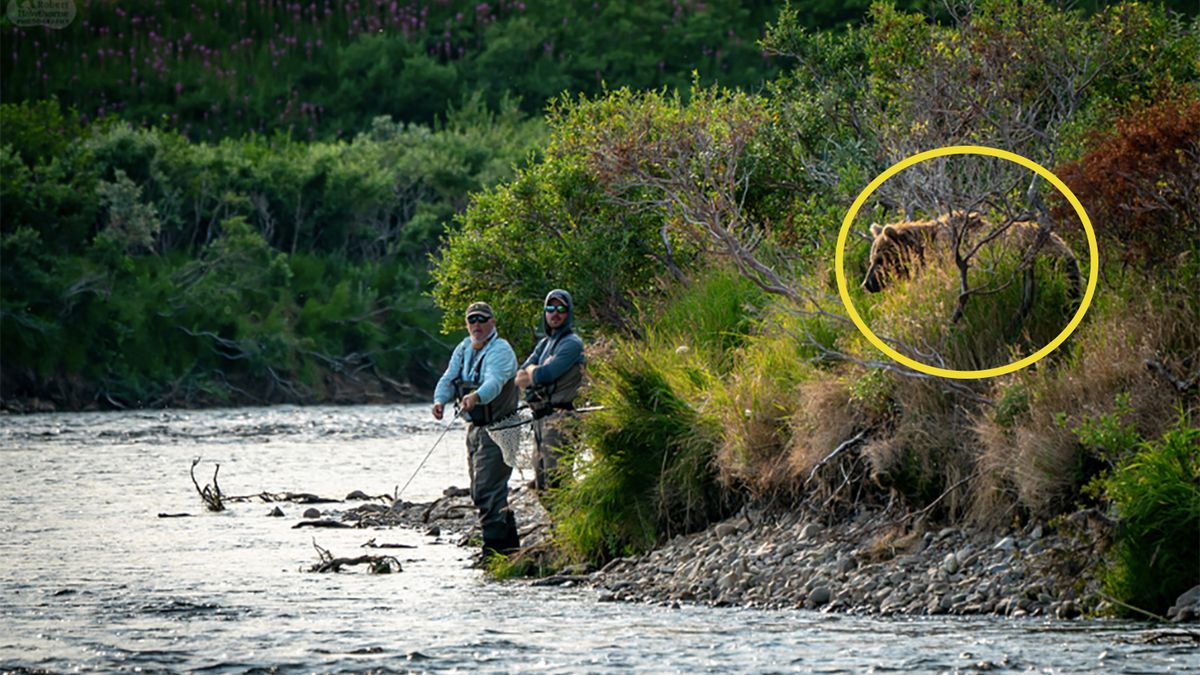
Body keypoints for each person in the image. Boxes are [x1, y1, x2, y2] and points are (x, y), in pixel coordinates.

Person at [432, 301, 520, 557]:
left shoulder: (501, 351)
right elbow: (449, 378)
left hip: (502, 428)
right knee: (481, 490)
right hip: (476, 429)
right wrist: (439, 400)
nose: (477, 324)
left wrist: (476, 397)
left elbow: (494, 381)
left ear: (493, 323)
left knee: (486, 489)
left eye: (482, 319)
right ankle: (509, 551)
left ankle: (494, 551)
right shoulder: (464, 347)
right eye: (472, 320)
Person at [515, 289, 585, 491]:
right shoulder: (544, 344)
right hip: (539, 419)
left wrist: (533, 371)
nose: (555, 313)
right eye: (550, 308)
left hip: (561, 418)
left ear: (568, 312)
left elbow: (544, 374)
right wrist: (532, 371)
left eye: (561, 308)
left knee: (557, 482)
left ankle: (567, 521)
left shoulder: (572, 343)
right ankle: (558, 522)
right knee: (541, 484)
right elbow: (519, 378)